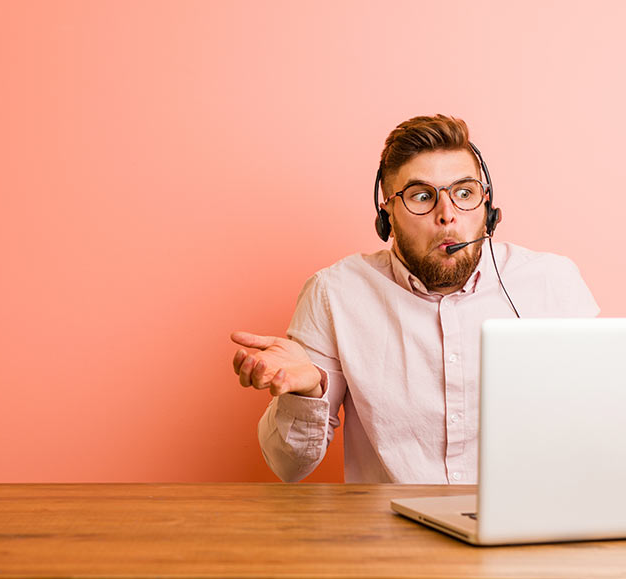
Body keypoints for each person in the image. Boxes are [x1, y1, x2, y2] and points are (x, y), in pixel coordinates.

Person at [230, 114, 600, 483]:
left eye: (464, 193)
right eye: (422, 196)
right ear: (386, 213)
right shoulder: (334, 293)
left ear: (488, 207)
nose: (448, 215)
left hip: (528, 531)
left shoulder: (552, 282)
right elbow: (288, 467)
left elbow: (602, 422)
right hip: (392, 536)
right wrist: (308, 393)